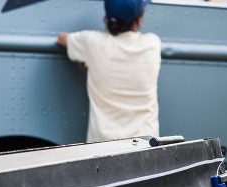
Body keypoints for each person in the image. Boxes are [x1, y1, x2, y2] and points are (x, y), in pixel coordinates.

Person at [57, 0, 161, 142]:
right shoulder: (153, 44)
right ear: (139, 20)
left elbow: (61, 38)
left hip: (103, 146)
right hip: (145, 144)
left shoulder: (92, 42)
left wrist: (86, 58)